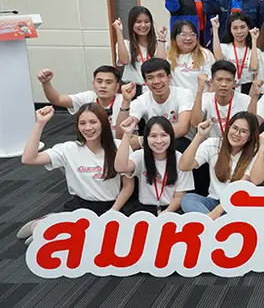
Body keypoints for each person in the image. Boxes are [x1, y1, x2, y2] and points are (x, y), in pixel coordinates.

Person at [17, 105, 134, 244]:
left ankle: (50, 225)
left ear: (103, 123)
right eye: (82, 123)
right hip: (81, 206)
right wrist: (40, 124)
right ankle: (44, 225)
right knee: (82, 240)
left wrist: (113, 211)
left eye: (93, 122)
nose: (88, 128)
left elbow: (128, 186)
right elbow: (28, 158)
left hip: (114, 206)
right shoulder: (69, 149)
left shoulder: (119, 146)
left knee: (106, 242)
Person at [179, 114, 260, 219]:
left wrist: (214, 215)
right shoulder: (213, 144)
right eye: (234, 128)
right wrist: (199, 136)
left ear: (250, 137)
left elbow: (238, 189)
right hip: (214, 201)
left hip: (237, 205)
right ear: (228, 127)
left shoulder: (255, 153)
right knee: (187, 199)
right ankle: (218, 224)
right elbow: (184, 166)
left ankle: (210, 224)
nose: (237, 134)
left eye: (243, 131)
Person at [115, 116, 194, 215]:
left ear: (171, 137)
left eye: (164, 135)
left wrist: (166, 212)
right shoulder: (140, 156)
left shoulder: (181, 159)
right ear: (146, 138)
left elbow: (179, 196)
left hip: (171, 210)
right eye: (153, 136)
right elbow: (120, 168)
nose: (159, 141)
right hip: (144, 210)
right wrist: (127, 134)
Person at [115, 58, 194, 149]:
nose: (156, 81)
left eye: (161, 76)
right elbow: (121, 135)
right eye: (150, 78)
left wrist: (142, 140)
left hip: (181, 142)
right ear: (145, 82)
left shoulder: (184, 94)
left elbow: (182, 128)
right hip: (154, 146)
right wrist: (126, 101)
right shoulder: (142, 100)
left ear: (169, 78)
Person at [37, 66, 124, 137]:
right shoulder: (87, 97)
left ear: (117, 86)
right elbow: (57, 99)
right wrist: (46, 83)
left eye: (108, 82)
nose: (103, 86)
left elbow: (124, 135)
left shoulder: (124, 101)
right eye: (99, 81)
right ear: (93, 84)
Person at [191, 60, 256, 139]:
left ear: (234, 83)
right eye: (219, 80)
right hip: (210, 144)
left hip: (236, 142)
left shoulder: (245, 100)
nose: (224, 84)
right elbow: (195, 123)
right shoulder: (205, 98)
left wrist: (255, 96)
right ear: (212, 82)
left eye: (228, 80)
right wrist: (200, 90)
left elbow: (253, 126)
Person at [113, 6, 167, 96]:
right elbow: (124, 60)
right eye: (138, 22)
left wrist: (161, 39)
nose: (143, 25)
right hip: (133, 90)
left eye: (146, 21)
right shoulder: (125, 44)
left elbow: (161, 65)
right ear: (132, 24)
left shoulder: (160, 43)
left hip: (155, 89)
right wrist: (119, 32)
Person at [211, 13, 259, 94]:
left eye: (242, 27)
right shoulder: (225, 47)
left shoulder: (253, 49)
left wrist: (254, 40)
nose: (239, 31)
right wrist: (215, 29)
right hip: (229, 86)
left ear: (248, 28)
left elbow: (254, 68)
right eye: (235, 28)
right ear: (230, 30)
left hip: (247, 87)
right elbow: (219, 59)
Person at [167, 20, 216, 94]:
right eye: (183, 34)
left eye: (192, 34)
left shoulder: (205, 54)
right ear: (174, 37)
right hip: (177, 100)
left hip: (201, 99)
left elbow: (213, 84)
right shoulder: (168, 56)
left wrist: (204, 100)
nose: (188, 38)